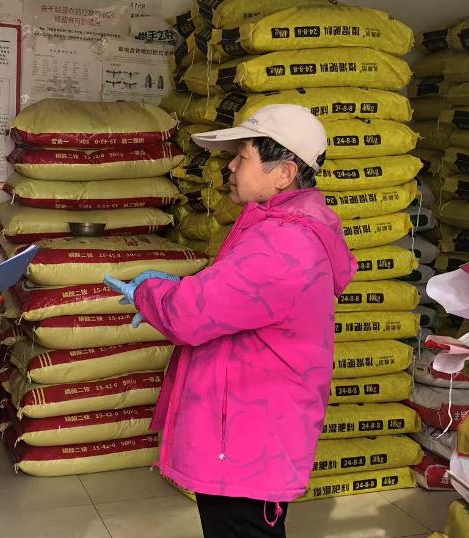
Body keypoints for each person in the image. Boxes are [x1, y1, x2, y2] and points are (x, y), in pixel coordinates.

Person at [107, 105, 357, 538]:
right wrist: (184, 286)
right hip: (249, 427)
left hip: (249, 438)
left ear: (284, 173)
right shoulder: (278, 227)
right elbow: (231, 295)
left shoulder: (284, 243)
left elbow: (187, 315)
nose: (231, 167)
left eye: (242, 157)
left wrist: (151, 293)